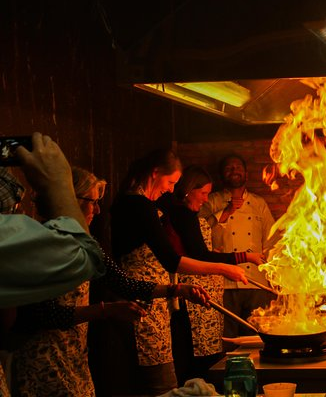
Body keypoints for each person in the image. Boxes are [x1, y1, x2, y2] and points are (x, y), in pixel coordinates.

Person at [10, 166, 212, 397]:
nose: (97, 209)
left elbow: (124, 284)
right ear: (68, 200)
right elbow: (42, 313)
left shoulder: (86, 243)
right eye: (91, 201)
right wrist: (106, 311)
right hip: (42, 356)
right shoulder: (41, 244)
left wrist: (176, 289)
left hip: (75, 355)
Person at [111, 148, 248, 395]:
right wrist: (224, 268)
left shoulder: (142, 202)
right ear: (155, 173)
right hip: (142, 303)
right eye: (170, 182)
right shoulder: (138, 205)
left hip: (155, 300)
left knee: (160, 377)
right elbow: (172, 260)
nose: (171, 189)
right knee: (159, 383)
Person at [157, 165, 256, 382]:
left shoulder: (183, 211)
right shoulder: (183, 213)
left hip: (204, 286)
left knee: (204, 351)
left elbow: (201, 246)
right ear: (188, 190)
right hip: (194, 289)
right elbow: (200, 255)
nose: (205, 199)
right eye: (203, 193)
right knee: (199, 357)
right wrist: (241, 259)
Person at [0, 133, 105, 308]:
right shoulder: (37, 243)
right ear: (75, 198)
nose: (97, 210)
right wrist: (60, 184)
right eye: (92, 202)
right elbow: (82, 256)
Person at [200, 153, 279, 341]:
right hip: (223, 284)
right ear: (222, 175)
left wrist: (271, 272)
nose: (234, 171)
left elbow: (271, 239)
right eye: (229, 168)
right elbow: (199, 232)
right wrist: (225, 212)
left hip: (256, 283)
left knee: (257, 337)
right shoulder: (211, 201)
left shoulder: (258, 203)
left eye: (238, 167)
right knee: (226, 338)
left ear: (245, 174)